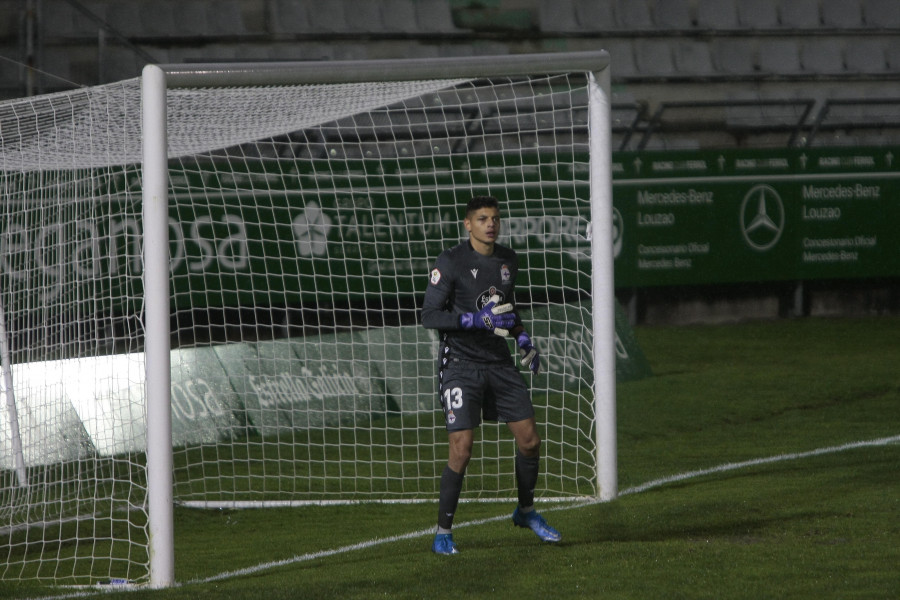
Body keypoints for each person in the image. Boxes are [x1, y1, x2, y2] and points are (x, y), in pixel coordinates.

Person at [420, 195, 561, 555]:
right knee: (461, 449)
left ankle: (526, 511)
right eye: (482, 218)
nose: (490, 224)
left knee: (530, 440)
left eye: (495, 218)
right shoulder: (450, 261)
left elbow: (506, 309)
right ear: (468, 225)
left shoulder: (508, 261)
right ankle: (443, 532)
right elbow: (430, 316)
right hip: (461, 365)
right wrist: (472, 320)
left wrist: (523, 338)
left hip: (499, 363)